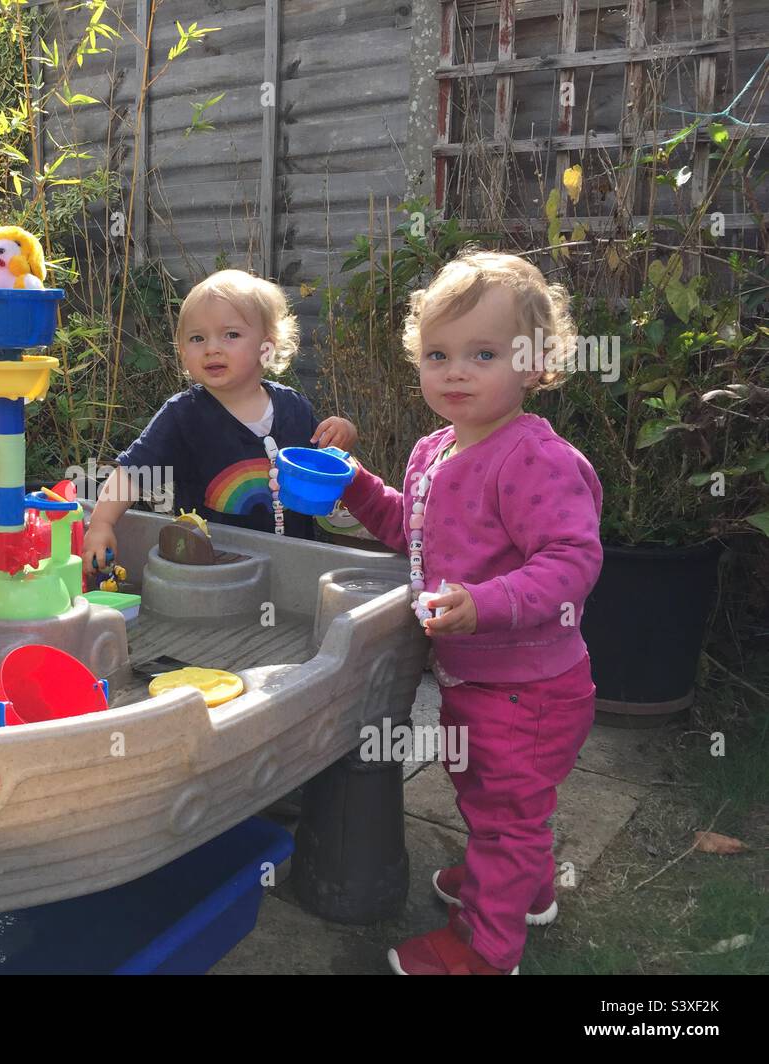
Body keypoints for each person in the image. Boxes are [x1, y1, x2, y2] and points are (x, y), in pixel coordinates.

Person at [339, 249, 604, 975]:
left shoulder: (536, 460)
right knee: (494, 799)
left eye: (482, 354)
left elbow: (571, 562)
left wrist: (483, 604)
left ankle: (485, 950)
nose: (454, 371)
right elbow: (410, 530)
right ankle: (525, 887)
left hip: (529, 688)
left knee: (503, 811)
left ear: (537, 364)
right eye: (437, 354)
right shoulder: (433, 451)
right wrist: (357, 486)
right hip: (478, 679)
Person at [82, 269, 356, 568]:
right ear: (184, 354)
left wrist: (342, 434)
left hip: (291, 564)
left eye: (231, 335)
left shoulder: (294, 407)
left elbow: (321, 466)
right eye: (197, 338)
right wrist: (102, 524)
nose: (212, 348)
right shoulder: (184, 415)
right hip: (209, 570)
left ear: (266, 348)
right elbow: (131, 472)